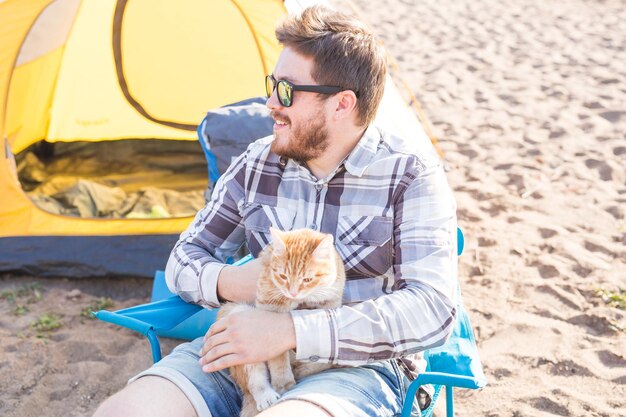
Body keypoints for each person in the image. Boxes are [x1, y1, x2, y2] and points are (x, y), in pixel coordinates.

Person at [94, 5, 458, 417]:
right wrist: (231, 282)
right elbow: (183, 260)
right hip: (243, 351)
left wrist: (291, 331)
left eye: (286, 90)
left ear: (341, 104)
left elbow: (433, 309)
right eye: (272, 85)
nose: (269, 103)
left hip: (357, 367)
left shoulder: (409, 175)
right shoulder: (257, 162)